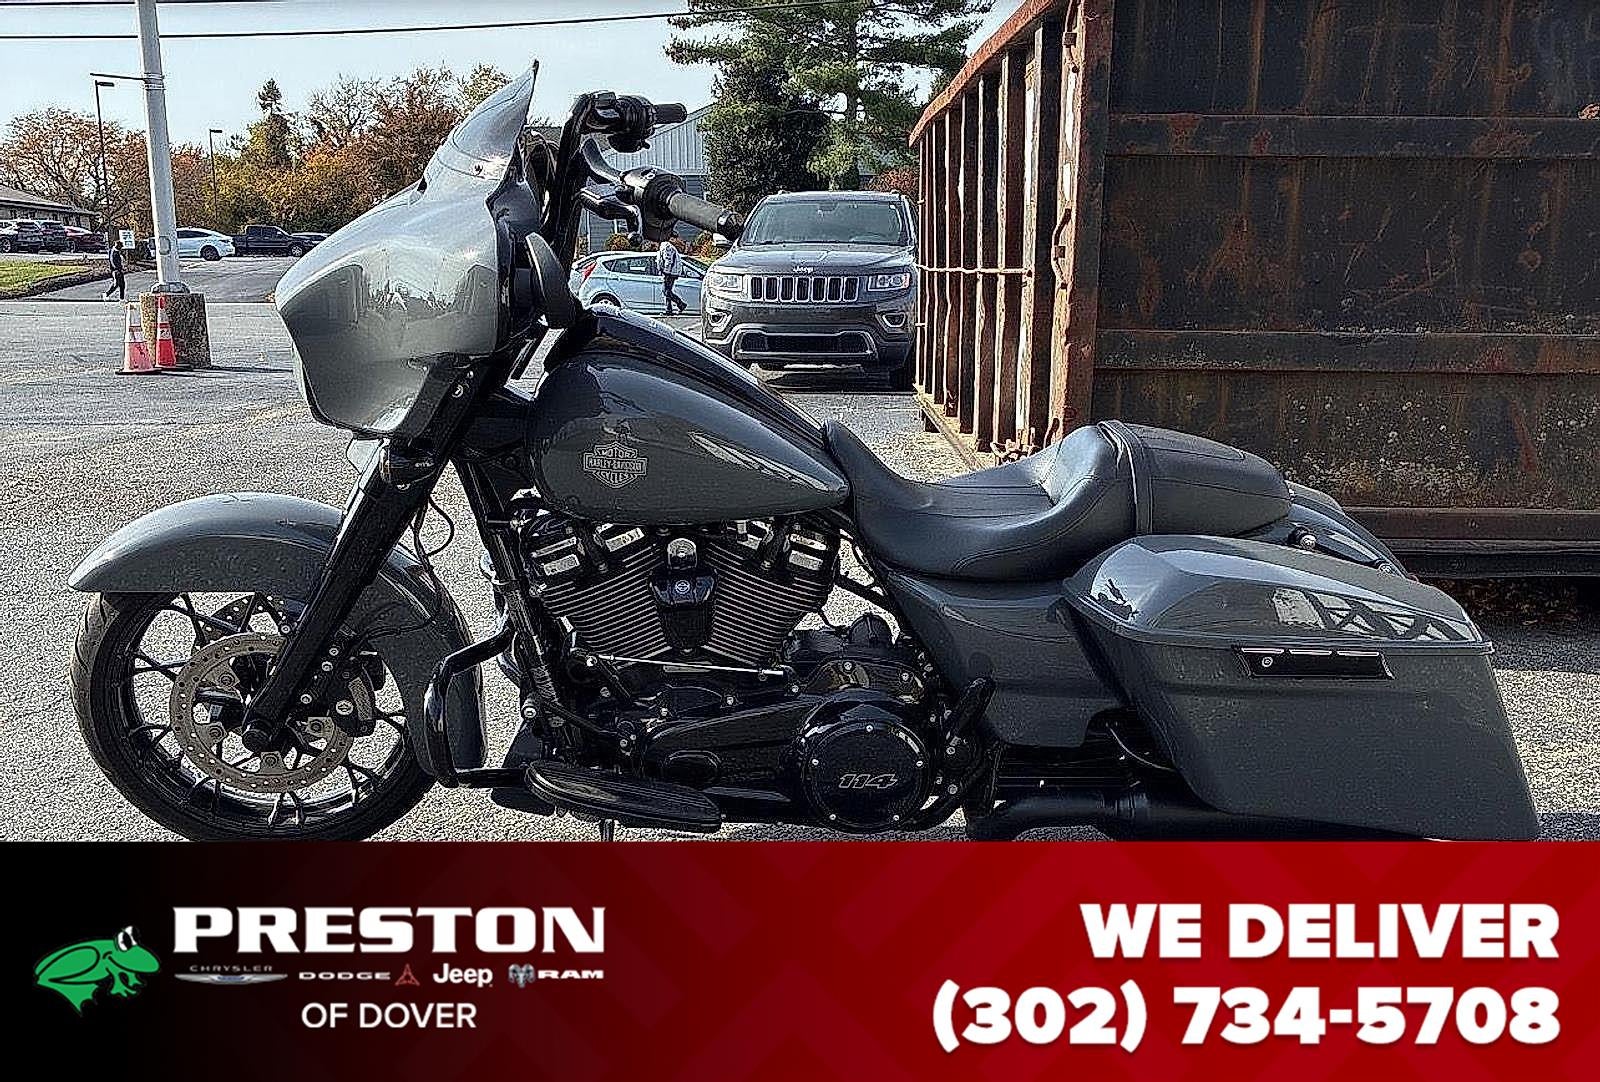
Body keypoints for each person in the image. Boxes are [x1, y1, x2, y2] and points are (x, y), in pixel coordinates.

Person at [656, 239, 687, 316]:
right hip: (671, 272)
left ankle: (681, 304)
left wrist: (666, 272)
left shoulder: (666, 246)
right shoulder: (665, 247)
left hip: (670, 273)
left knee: (666, 291)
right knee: (667, 291)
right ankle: (669, 310)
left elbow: (668, 261)